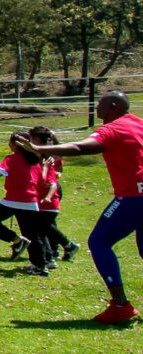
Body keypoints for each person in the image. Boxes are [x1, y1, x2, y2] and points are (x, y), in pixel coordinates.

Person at [11, 90, 143, 324]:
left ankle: (121, 306)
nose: (96, 106)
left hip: (134, 196)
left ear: (113, 106)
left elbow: (82, 147)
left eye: (100, 102)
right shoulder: (137, 124)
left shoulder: (113, 128)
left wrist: (41, 150)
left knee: (99, 242)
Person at [0, 126, 55, 275]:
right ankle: (41, 266)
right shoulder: (35, 160)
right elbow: (42, 180)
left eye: (10, 141)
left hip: (13, 200)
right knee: (33, 235)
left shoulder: (11, 158)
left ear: (15, 144)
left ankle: (16, 240)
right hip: (31, 201)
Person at [36, 146, 80, 264]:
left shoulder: (46, 161)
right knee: (47, 225)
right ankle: (57, 250)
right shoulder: (41, 161)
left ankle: (57, 251)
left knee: (43, 225)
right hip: (43, 198)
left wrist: (48, 197)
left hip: (48, 199)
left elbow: (51, 183)